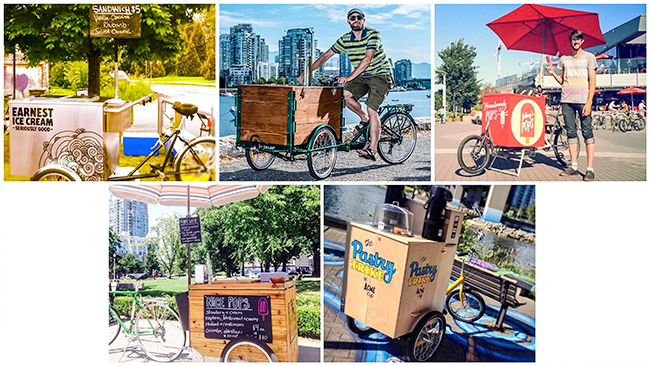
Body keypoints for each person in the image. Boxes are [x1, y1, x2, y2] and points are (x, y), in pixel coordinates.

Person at [298, 8, 393, 161]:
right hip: (362, 76)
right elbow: (325, 56)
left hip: (380, 74)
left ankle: (372, 149)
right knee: (345, 95)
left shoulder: (373, 34)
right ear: (348, 22)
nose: (356, 20)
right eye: (352, 18)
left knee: (371, 108)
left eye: (359, 17)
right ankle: (364, 119)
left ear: (363, 20)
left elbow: (367, 59)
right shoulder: (345, 40)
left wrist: (349, 77)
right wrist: (306, 73)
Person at [546, 29, 597, 181]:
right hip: (567, 100)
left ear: (582, 41)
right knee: (570, 133)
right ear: (570, 41)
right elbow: (563, 81)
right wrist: (553, 73)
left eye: (578, 39)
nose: (575, 42)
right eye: (573, 39)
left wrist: (589, 102)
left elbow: (593, 82)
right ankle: (574, 166)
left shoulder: (590, 57)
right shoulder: (564, 59)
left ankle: (589, 169)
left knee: (587, 133)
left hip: (583, 101)